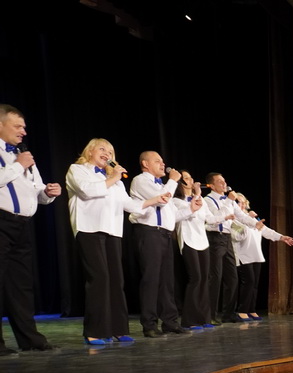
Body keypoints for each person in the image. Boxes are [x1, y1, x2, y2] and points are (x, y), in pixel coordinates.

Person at [66, 138, 168, 345]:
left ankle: (118, 329)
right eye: (102, 149)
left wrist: (154, 200)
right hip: (89, 228)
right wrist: (113, 177)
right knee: (99, 278)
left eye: (111, 152)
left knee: (115, 280)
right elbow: (87, 191)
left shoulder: (115, 181)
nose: (107, 154)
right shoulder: (77, 170)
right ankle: (95, 331)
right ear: (90, 151)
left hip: (113, 231)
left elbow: (128, 204)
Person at [0, 103, 61, 353]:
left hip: (23, 225)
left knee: (21, 285)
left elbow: (36, 191)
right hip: (1, 222)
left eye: (24, 127)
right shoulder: (20, 160)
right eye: (18, 126)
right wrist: (18, 165)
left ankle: (30, 340)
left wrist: (48, 193)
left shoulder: (23, 155)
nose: (23, 131)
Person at [130, 151, 187, 338]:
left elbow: (171, 215)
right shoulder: (140, 181)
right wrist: (173, 180)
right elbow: (162, 200)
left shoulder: (162, 185)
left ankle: (170, 322)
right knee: (151, 279)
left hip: (164, 234)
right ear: (145, 164)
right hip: (149, 233)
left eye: (163, 161)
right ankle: (149, 324)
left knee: (167, 281)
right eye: (158, 161)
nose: (163, 164)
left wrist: (191, 210)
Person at [203, 173, 261, 323]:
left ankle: (228, 314)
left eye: (224, 181)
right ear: (212, 185)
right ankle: (210, 315)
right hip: (215, 238)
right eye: (219, 181)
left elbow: (241, 216)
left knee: (232, 278)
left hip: (227, 238)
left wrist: (255, 223)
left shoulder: (229, 201)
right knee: (215, 277)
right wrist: (229, 201)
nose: (224, 184)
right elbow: (214, 218)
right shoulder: (207, 200)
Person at [230, 192, 293, 321]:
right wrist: (249, 221)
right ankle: (242, 310)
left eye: (243, 202)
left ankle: (251, 309)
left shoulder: (253, 219)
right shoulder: (233, 219)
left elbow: (266, 231)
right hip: (243, 255)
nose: (241, 204)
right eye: (238, 202)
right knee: (248, 282)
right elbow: (238, 236)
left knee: (254, 284)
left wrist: (282, 237)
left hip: (256, 255)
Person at [172, 171, 214, 330]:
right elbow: (187, 214)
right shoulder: (176, 201)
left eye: (191, 177)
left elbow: (209, 218)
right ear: (181, 183)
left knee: (204, 278)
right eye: (187, 178)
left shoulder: (200, 199)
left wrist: (226, 216)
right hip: (188, 240)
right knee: (195, 277)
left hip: (202, 240)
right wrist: (197, 194)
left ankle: (204, 318)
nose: (191, 180)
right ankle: (190, 320)